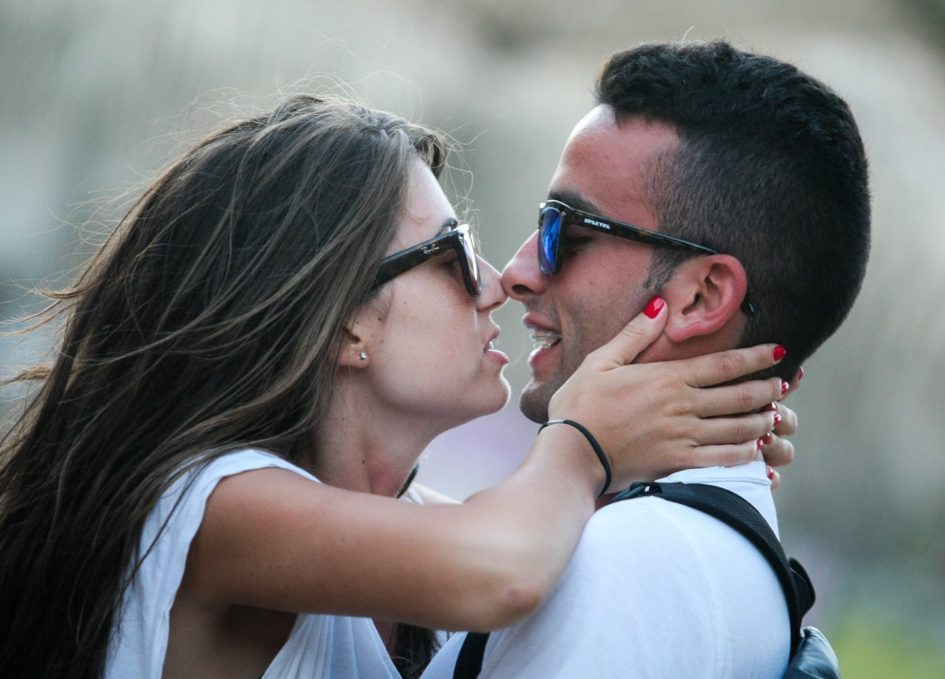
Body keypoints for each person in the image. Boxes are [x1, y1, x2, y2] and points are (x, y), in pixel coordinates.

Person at [0, 95, 797, 679]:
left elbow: (528, 534)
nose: (498, 282)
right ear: (346, 321)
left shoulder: (405, 525)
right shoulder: (212, 503)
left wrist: (691, 428)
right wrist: (585, 440)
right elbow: (502, 566)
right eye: (453, 255)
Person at [423, 40, 870, 678]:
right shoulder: (657, 544)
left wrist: (577, 445)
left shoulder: (636, 562)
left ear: (701, 297)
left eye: (567, 232)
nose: (517, 272)